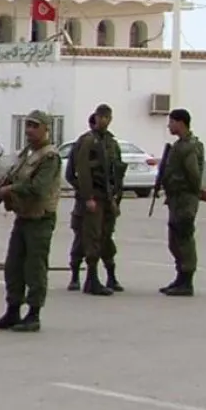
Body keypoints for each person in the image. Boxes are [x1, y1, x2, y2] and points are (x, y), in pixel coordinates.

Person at [0, 109, 62, 332]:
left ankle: (33, 313)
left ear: (46, 129)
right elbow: (13, 176)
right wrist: (2, 189)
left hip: (40, 218)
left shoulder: (49, 156)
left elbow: (38, 188)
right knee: (14, 266)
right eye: (27, 125)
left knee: (35, 267)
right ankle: (13, 310)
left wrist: (10, 190)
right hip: (23, 216)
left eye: (34, 126)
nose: (29, 130)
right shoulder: (27, 154)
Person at [69, 103, 122, 296]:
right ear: (96, 118)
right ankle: (87, 278)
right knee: (88, 237)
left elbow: (116, 171)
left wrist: (116, 197)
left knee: (106, 236)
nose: (104, 121)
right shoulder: (87, 141)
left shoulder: (111, 143)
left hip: (107, 197)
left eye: (108, 117)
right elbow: (80, 170)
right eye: (101, 117)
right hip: (93, 197)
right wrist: (87, 195)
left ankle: (110, 276)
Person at [160, 107, 206, 297]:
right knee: (175, 240)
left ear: (180, 123)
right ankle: (180, 278)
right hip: (177, 198)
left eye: (171, 122)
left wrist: (198, 191)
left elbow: (193, 173)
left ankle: (186, 281)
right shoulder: (180, 145)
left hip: (185, 199)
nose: (169, 126)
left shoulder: (188, 147)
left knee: (183, 238)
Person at [64, 110, 96, 291]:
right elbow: (70, 174)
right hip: (84, 201)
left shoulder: (109, 143)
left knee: (103, 238)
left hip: (103, 200)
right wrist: (84, 191)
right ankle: (75, 276)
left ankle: (104, 276)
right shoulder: (82, 144)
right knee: (81, 239)